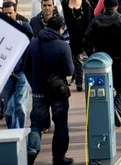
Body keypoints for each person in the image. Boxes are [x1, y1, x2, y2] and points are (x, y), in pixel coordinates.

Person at [25, 15, 74, 165]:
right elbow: (69, 70)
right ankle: (59, 157)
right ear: (61, 28)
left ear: (46, 26)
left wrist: (34, 84)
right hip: (57, 92)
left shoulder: (34, 43)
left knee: (36, 124)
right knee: (60, 124)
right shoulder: (63, 45)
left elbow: (26, 67)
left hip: (39, 91)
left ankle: (32, 150)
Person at [83, 0, 121, 128]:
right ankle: (117, 108)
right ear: (117, 6)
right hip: (119, 58)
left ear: (104, 6)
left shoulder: (96, 21)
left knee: (104, 88)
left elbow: (86, 40)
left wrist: (93, 56)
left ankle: (110, 109)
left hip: (101, 60)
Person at [0, 2, 32, 131]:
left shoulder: (24, 27)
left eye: (10, 13)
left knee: (20, 105)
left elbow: (29, 50)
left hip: (21, 72)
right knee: (7, 108)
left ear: (15, 12)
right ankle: (11, 129)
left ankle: (18, 132)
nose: (8, 15)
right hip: (5, 74)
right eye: (5, 13)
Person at [61, 0, 92, 92]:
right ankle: (71, 77)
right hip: (68, 35)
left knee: (78, 59)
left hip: (81, 36)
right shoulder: (64, 4)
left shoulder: (85, 5)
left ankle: (79, 82)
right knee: (69, 58)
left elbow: (89, 22)